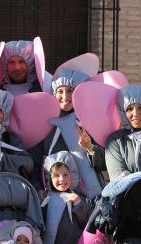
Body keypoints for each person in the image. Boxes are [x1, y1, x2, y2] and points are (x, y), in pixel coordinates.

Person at [29, 61, 107, 198]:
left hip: (89, 198)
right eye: (60, 91)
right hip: (54, 197)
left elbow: (105, 164)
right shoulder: (45, 124)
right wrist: (38, 188)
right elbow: (36, 160)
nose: (65, 97)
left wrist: (90, 148)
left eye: (70, 91)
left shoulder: (89, 122)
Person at [103, 85, 141, 180]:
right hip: (130, 194)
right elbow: (118, 179)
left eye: (140, 107)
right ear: (123, 112)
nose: (135, 114)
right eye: (129, 109)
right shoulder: (115, 141)